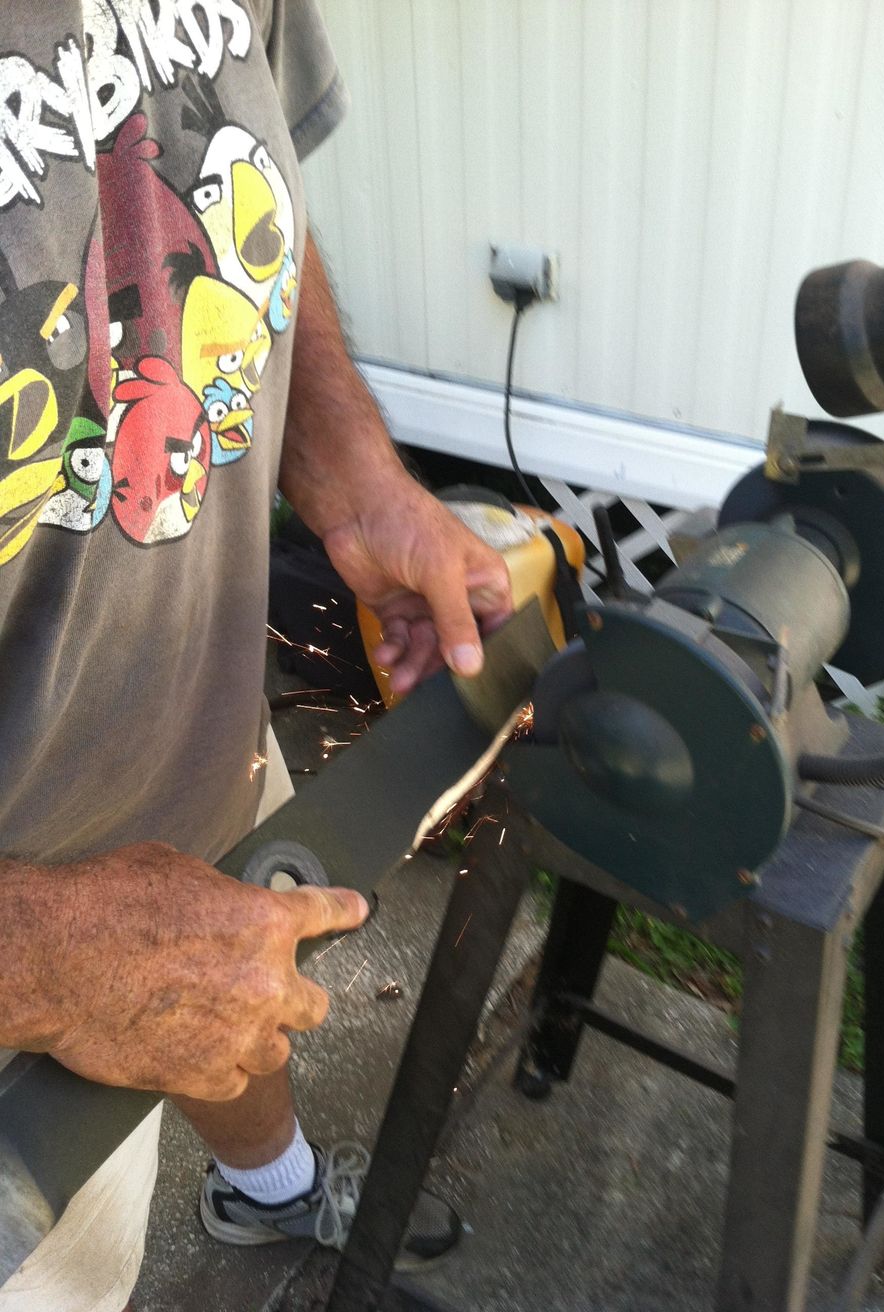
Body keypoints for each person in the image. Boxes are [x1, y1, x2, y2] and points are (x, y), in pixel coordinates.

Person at [0, 4, 512, 1309]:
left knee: (242, 999)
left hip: (198, 749)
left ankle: (265, 1187)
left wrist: (354, 478)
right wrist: (42, 951)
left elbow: (242, 172)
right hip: (24, 1008)